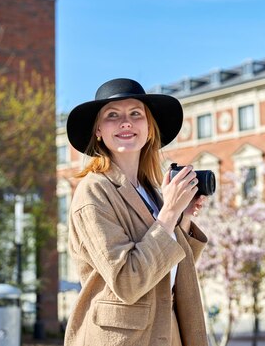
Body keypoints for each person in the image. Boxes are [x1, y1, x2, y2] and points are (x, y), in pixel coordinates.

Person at [63, 78, 209, 346]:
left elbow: (169, 271)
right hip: (121, 339)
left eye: (135, 114)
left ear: (149, 128)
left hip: (167, 333)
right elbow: (128, 281)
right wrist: (169, 213)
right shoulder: (94, 191)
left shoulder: (152, 191)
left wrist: (182, 217)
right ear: (98, 131)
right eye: (112, 115)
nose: (126, 122)